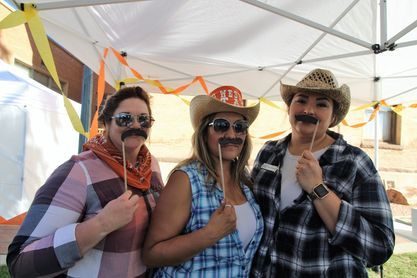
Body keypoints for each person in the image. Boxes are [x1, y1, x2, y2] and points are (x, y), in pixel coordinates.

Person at [250, 68, 395, 277]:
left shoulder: (354, 162)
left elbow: (379, 246)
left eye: (321, 104)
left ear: (334, 116)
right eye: (301, 100)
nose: (308, 110)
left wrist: (318, 188)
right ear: (289, 107)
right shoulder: (268, 153)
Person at [7, 86, 164, 277]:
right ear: (107, 123)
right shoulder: (79, 170)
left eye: (143, 119)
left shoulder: (151, 165)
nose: (136, 125)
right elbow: (21, 263)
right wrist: (102, 224)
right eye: (125, 118)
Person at [143, 86, 264, 277]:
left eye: (240, 127)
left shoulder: (246, 183)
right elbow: (151, 254)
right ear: (204, 132)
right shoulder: (185, 179)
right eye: (221, 125)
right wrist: (209, 234)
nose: (232, 135)